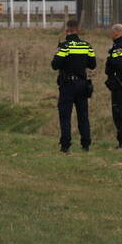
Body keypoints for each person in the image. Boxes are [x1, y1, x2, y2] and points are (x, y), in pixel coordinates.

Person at [51, 19, 96, 153]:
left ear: (67, 31)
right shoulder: (87, 46)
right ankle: (86, 144)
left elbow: (55, 65)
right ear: (78, 30)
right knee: (83, 116)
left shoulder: (65, 46)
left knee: (65, 116)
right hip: (82, 84)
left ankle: (65, 145)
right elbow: (93, 65)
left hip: (68, 85)